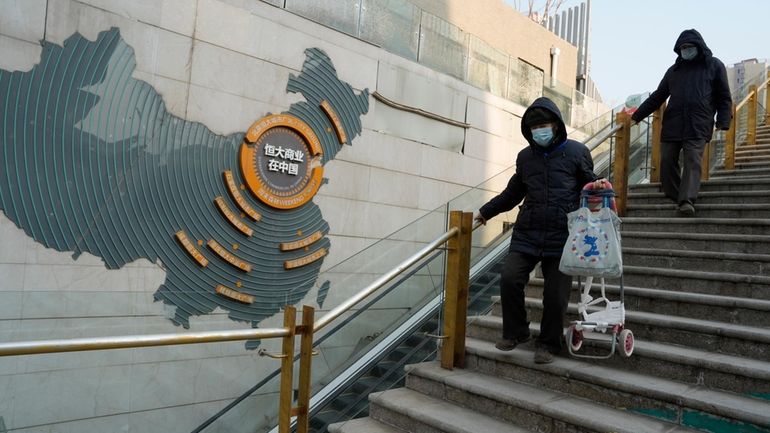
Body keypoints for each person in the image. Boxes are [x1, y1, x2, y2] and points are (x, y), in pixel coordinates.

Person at [475, 97, 598, 364]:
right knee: (509, 278)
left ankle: (549, 344)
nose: (539, 131)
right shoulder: (525, 157)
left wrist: (602, 193)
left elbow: (591, 185)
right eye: (534, 128)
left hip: (563, 235)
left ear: (556, 125)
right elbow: (513, 193)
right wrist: (485, 212)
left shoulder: (577, 152)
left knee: (555, 295)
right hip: (528, 232)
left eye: (543, 125)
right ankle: (516, 332)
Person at [631, 29, 732, 217]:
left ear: (699, 46)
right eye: (682, 48)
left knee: (692, 160)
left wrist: (723, 120)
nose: (686, 50)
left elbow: (724, 97)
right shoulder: (674, 71)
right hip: (673, 124)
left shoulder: (714, 66)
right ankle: (676, 194)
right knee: (667, 160)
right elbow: (658, 96)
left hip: (699, 123)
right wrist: (636, 116)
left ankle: (687, 201)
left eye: (689, 47)